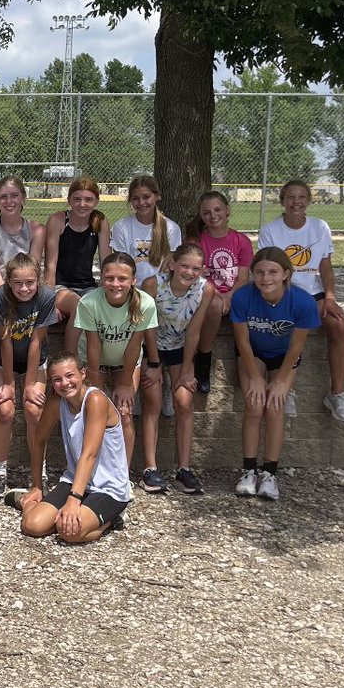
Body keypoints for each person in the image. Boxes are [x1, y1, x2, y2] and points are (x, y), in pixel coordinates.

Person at [5, 352, 130, 545]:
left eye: (70, 375)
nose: (65, 383)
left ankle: (112, 519)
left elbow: (89, 454)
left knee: (68, 532)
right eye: (57, 379)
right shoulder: (57, 402)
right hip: (75, 480)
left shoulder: (96, 400)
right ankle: (27, 501)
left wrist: (73, 500)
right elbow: (39, 440)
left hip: (108, 488)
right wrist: (37, 486)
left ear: (83, 373)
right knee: (32, 526)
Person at [230, 247, 320, 500]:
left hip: (284, 357)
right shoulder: (243, 296)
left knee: (274, 407)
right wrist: (255, 377)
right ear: (252, 274)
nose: (265, 278)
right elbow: (242, 341)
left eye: (273, 272)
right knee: (254, 405)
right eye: (259, 272)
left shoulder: (302, 301)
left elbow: (296, 347)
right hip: (253, 353)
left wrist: (280, 380)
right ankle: (248, 471)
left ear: (286, 274)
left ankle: (270, 473)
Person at [257, 181, 344, 422]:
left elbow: (326, 267)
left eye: (301, 197)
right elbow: (269, 271)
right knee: (288, 326)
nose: (296, 202)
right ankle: (287, 389)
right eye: (290, 197)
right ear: (282, 200)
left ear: (308, 200)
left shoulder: (320, 227)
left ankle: (337, 394)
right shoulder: (270, 230)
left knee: (339, 326)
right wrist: (296, 302)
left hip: (314, 294)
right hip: (284, 293)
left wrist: (329, 297)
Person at [138, 244, 214, 495]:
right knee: (153, 400)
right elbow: (147, 326)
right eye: (185, 266)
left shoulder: (205, 290)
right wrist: (153, 363)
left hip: (180, 347)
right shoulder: (153, 285)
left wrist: (187, 369)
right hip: (152, 345)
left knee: (184, 400)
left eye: (196, 268)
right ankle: (150, 469)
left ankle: (184, 468)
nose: (189, 272)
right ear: (172, 265)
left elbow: (194, 331)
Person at [73, 251, 158, 466]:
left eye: (122, 278)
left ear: (133, 280)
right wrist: (94, 384)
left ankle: (122, 473)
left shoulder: (145, 303)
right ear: (101, 278)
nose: (115, 284)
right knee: (95, 413)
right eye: (109, 278)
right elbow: (93, 345)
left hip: (125, 360)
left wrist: (125, 383)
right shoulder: (89, 302)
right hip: (94, 359)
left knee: (124, 412)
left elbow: (134, 346)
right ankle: (92, 469)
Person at [0, 254, 58, 499]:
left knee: (33, 409)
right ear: (9, 282)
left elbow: (37, 340)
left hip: (34, 356)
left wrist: (28, 385)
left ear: (38, 281)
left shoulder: (46, 296)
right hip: (2, 356)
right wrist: (8, 383)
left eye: (29, 283)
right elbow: (5, 340)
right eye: (17, 283)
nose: (24, 289)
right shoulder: (1, 296)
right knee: (5, 408)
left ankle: (39, 471)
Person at [183, 190, 253, 395]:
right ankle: (204, 358)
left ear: (227, 210)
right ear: (201, 215)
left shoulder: (241, 241)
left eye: (217, 210)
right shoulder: (196, 241)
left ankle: (247, 362)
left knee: (249, 307)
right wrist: (218, 295)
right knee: (213, 304)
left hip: (234, 292)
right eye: (207, 212)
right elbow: (193, 275)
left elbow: (243, 278)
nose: (213, 215)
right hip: (206, 292)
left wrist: (229, 295)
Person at [44, 176, 112, 358]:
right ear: (69, 200)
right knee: (81, 306)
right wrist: (49, 302)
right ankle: (70, 360)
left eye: (88, 199)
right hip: (60, 286)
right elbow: (50, 265)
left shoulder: (100, 221)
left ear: (96, 201)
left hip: (87, 285)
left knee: (101, 309)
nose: (82, 204)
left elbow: (106, 262)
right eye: (77, 199)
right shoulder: (58, 220)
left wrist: (108, 292)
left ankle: (98, 364)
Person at [0, 176, 46, 316]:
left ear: (23, 198)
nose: (9, 201)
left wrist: (24, 295)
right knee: (5, 313)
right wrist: (11, 300)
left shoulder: (37, 230)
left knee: (43, 311)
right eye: (3, 197)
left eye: (14, 195)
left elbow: (33, 269)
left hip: (26, 288)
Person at [109, 175, 182, 287]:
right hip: (131, 287)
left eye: (146, 197)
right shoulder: (121, 227)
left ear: (157, 196)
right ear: (130, 200)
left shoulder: (171, 228)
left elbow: (168, 266)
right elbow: (121, 265)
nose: (141, 203)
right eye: (135, 198)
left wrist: (151, 288)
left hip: (160, 288)